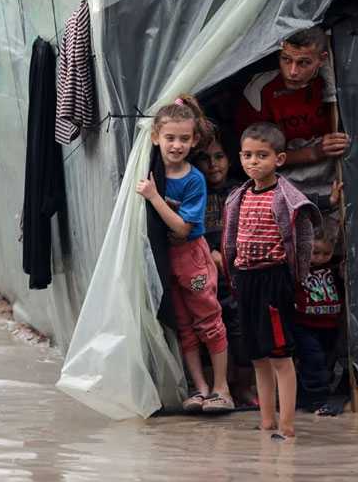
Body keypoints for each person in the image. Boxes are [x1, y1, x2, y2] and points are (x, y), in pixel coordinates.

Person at [224, 122, 320, 439]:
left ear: (278, 159)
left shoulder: (286, 198)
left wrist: (296, 278)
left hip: (273, 280)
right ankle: (266, 421)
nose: (254, 162)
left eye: (262, 156)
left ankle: (287, 426)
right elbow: (231, 239)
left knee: (280, 354)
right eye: (248, 155)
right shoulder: (238, 196)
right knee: (257, 355)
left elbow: (303, 242)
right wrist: (233, 272)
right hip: (246, 278)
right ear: (240, 157)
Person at [137, 96, 233, 413]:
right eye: (170, 138)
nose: (176, 145)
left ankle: (222, 388)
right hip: (168, 263)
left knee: (207, 317)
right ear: (155, 138)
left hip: (192, 261)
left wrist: (153, 197)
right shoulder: (152, 168)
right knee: (183, 325)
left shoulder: (194, 180)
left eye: (183, 139)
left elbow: (181, 228)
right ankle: (199, 387)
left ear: (193, 142)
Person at [235, 27, 349, 201]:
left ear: (322, 59)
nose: (293, 71)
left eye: (304, 63)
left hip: (334, 180)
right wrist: (314, 152)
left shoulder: (336, 84)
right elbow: (255, 157)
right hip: (282, 185)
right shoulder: (260, 90)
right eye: (286, 59)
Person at [193, 134, 256, 406]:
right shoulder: (193, 191)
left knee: (241, 327)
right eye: (205, 159)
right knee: (205, 326)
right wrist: (209, 251)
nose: (213, 164)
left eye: (219, 157)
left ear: (230, 160)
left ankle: (243, 388)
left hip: (238, 271)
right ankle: (215, 388)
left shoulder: (241, 191)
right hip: (201, 272)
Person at [294, 218, 346, 416]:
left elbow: (342, 286)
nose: (320, 258)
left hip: (330, 324)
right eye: (315, 252)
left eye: (326, 253)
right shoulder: (298, 267)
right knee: (313, 360)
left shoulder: (334, 267)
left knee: (324, 363)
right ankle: (317, 401)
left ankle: (306, 397)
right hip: (304, 324)